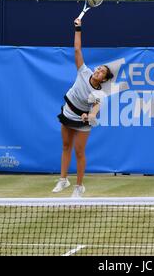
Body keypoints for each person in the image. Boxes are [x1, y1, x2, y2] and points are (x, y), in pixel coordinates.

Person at [52, 18, 113, 197]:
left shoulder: (100, 93)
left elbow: (95, 110)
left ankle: (79, 187)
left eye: (102, 72)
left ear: (103, 79)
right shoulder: (84, 71)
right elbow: (77, 49)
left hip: (82, 120)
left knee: (79, 151)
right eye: (99, 68)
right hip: (68, 111)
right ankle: (63, 180)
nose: (98, 71)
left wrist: (90, 116)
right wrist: (78, 28)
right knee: (65, 146)